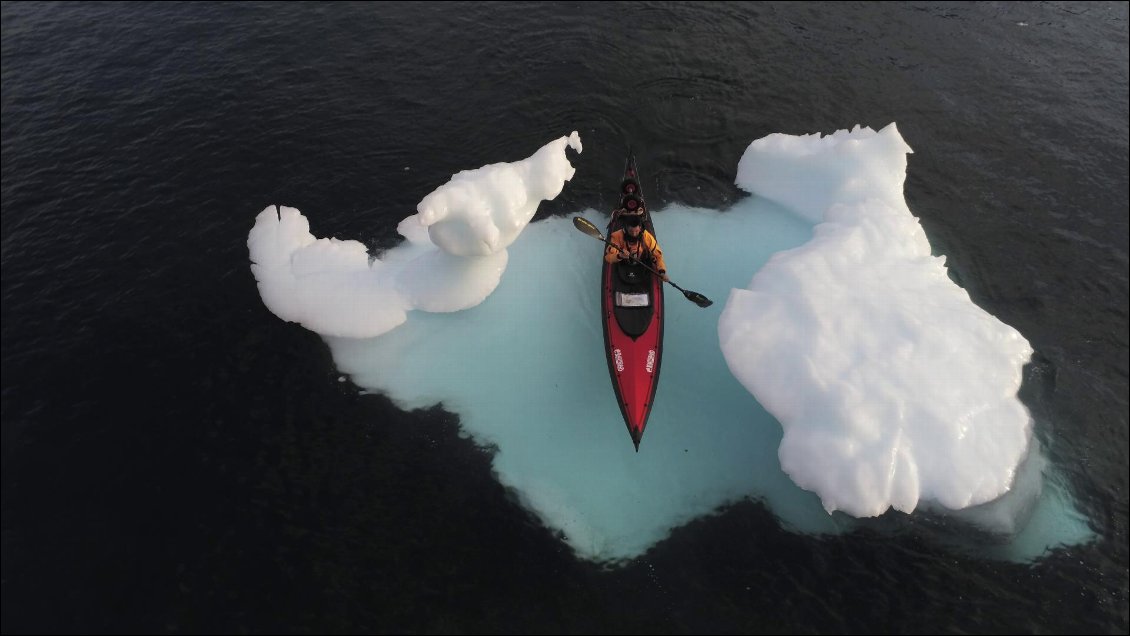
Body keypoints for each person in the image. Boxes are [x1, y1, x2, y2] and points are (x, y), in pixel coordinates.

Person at [604, 207, 668, 281]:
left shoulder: (646, 236)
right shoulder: (617, 236)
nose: (634, 234)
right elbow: (608, 257)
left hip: (642, 262)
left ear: (640, 228)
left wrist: (662, 271)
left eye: (636, 231)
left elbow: (658, 255)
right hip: (623, 263)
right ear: (627, 228)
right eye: (631, 231)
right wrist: (619, 255)